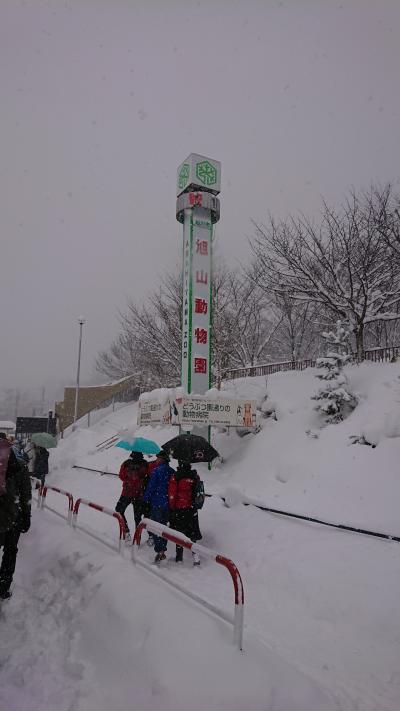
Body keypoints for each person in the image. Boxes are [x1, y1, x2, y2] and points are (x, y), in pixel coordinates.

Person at [0, 432, 31, 600]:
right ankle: (3, 588)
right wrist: (27, 517)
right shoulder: (19, 465)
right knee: (10, 552)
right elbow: (26, 495)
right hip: (13, 516)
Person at [142, 449, 174, 563]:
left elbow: (151, 487)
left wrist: (145, 499)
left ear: (162, 459)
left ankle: (159, 550)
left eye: (158, 458)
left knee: (155, 526)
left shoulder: (156, 471)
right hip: (167, 504)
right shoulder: (171, 471)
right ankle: (163, 549)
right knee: (164, 526)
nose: (156, 460)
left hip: (156, 503)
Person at [168, 461, 202, 565]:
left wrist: (172, 508)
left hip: (179, 509)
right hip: (192, 509)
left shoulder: (176, 476)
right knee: (192, 533)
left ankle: (179, 557)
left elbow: (172, 494)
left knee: (180, 533)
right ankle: (196, 556)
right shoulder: (195, 476)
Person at [115, 451, 149, 540]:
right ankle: (137, 538)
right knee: (137, 517)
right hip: (139, 493)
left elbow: (121, 476)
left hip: (127, 492)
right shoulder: (145, 464)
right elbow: (146, 475)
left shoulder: (127, 463)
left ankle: (126, 531)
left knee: (119, 510)